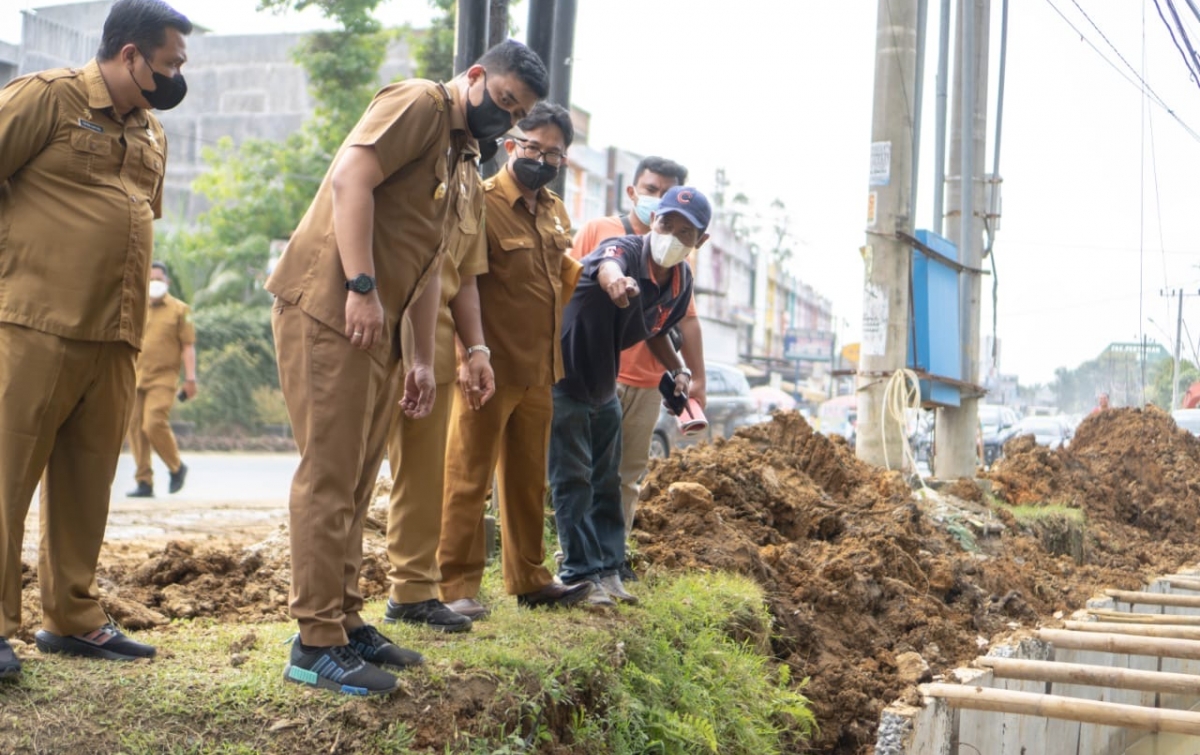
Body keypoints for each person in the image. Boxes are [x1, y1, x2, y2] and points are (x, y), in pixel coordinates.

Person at [265, 40, 547, 695]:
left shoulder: (461, 152)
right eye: (502, 100)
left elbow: (427, 260)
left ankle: (342, 618)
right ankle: (314, 642)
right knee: (330, 474)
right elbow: (350, 179)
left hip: (381, 326)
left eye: (517, 112)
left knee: (359, 481)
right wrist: (360, 285)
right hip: (332, 307)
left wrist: (422, 355)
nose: (504, 118)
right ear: (474, 77)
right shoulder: (419, 101)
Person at [0, 0, 191, 679]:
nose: (177, 74)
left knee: (87, 482)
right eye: (169, 61)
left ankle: (72, 617)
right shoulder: (47, 98)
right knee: (6, 475)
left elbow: (134, 219)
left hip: (116, 334)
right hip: (34, 324)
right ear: (130, 54)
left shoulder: (152, 133)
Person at [437, 102, 593, 618]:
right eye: (533, 147)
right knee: (468, 477)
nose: (542, 159)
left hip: (540, 370)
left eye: (554, 153)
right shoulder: (478, 202)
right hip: (487, 367)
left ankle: (529, 576)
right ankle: (455, 586)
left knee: (528, 481)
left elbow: (554, 273)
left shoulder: (552, 209)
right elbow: (460, 281)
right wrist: (466, 355)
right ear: (510, 145)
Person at [551, 186, 710, 605]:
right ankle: (578, 574)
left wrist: (678, 369)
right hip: (564, 376)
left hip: (604, 380)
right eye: (666, 224)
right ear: (652, 219)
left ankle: (608, 570)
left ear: (701, 242)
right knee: (573, 478)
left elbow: (656, 330)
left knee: (609, 480)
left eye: (686, 233)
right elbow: (607, 263)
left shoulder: (680, 281)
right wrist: (615, 281)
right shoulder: (625, 248)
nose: (672, 236)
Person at [381, 160, 490, 634]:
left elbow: (464, 279)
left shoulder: (472, 186)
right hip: (375, 327)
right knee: (347, 473)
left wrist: (477, 350)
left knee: (424, 477)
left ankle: (412, 592)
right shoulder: (407, 156)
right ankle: (326, 608)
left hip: (438, 338)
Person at [127, 261, 197, 498]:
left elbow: (188, 346)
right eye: (151, 279)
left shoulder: (180, 310)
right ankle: (144, 481)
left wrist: (190, 379)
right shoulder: (135, 307)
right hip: (135, 376)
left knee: (153, 422)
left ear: (166, 282)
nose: (155, 283)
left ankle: (176, 467)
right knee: (135, 429)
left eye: (159, 278)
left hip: (164, 378)